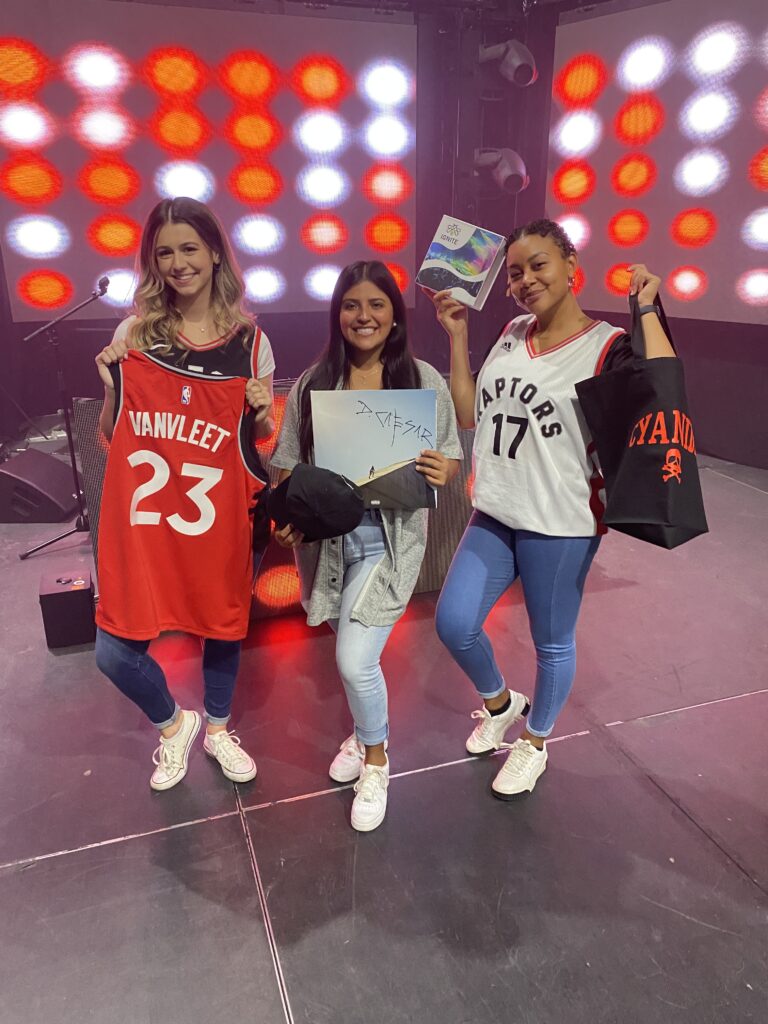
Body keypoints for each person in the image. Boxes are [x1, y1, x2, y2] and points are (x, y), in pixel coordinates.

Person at [431, 218, 674, 799]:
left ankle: (535, 741)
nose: (524, 279)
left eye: (539, 264)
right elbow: (470, 416)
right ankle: (501, 704)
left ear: (571, 265)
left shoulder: (608, 346)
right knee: (454, 623)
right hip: (495, 510)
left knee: (552, 643)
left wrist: (646, 310)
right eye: (514, 271)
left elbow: (664, 387)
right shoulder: (513, 330)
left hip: (559, 523)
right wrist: (458, 336)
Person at [271, 260, 462, 832]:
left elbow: (450, 458)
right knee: (353, 655)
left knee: (355, 662)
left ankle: (377, 762)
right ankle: (361, 734)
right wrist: (286, 517)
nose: (364, 316)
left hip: (391, 543)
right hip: (326, 549)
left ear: (395, 316)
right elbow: (286, 464)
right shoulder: (312, 382)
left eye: (376, 304)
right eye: (352, 305)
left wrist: (440, 468)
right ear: (338, 315)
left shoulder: (421, 378)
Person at [94, 197, 276, 792]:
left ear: (215, 253)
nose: (177, 263)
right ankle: (176, 726)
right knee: (112, 653)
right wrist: (111, 384)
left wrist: (257, 409)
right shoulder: (135, 336)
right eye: (164, 252)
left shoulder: (251, 343)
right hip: (148, 527)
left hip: (219, 524)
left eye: (189, 248)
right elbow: (110, 432)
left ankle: (219, 728)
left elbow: (262, 441)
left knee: (222, 631)